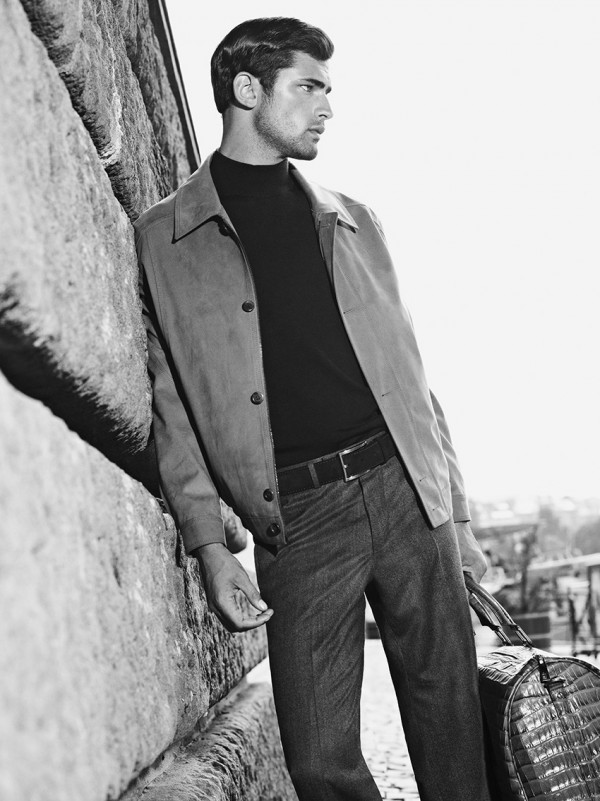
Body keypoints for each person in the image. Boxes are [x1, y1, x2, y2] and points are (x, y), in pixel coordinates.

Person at [135, 17, 490, 801]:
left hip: (406, 490)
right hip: (296, 516)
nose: (327, 107)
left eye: (329, 89)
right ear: (247, 89)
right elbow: (174, 410)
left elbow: (413, 378)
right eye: (309, 87)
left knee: (454, 728)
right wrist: (209, 546)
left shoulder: (355, 217)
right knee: (319, 761)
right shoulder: (163, 238)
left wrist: (457, 518)